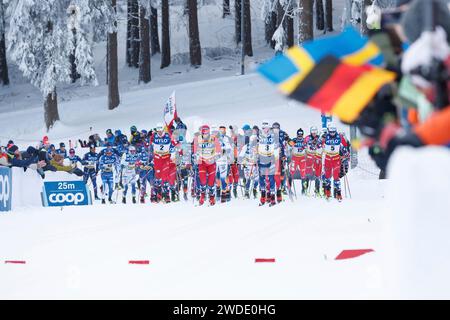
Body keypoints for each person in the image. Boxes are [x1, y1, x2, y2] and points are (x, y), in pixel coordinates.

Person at [194, 125, 221, 206]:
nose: (205, 135)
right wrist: (196, 157)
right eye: (203, 133)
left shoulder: (214, 138)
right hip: (202, 162)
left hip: (211, 162)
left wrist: (215, 156)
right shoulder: (197, 139)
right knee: (202, 180)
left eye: (206, 133)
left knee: (211, 181)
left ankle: (211, 196)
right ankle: (202, 195)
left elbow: (219, 151)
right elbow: (195, 151)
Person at [256, 121, 279, 206]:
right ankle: (263, 198)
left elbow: (276, 147)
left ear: (269, 128)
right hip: (262, 159)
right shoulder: (259, 136)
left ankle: (273, 199)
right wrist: (256, 158)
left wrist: (275, 158)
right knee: (261, 179)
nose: (264, 130)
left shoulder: (273, 136)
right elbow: (255, 147)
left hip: (270, 159)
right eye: (263, 128)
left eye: (265, 128)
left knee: (271, 179)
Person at [150, 123, 175, 203]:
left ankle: (167, 195)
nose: (160, 133)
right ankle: (158, 194)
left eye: (161, 131)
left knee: (165, 177)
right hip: (157, 159)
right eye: (158, 131)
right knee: (157, 177)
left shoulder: (168, 136)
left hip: (166, 159)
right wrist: (150, 158)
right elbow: (150, 147)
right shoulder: (153, 136)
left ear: (163, 130)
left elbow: (173, 145)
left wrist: (173, 153)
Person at [322, 124, 346, 201]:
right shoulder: (325, 136)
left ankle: (338, 193)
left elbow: (342, 146)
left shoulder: (339, 137)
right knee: (327, 176)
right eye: (331, 132)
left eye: (333, 132)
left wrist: (345, 154)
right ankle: (327, 192)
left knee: (336, 176)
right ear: (329, 131)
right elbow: (318, 144)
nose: (332, 133)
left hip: (336, 159)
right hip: (328, 158)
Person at [288, 128, 308, 195]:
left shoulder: (305, 140)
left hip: (302, 158)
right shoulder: (294, 140)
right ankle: (289, 188)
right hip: (295, 157)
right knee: (291, 172)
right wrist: (289, 141)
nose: (300, 136)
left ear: (302, 134)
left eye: (301, 134)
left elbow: (308, 146)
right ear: (297, 134)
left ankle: (304, 189)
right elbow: (289, 144)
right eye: (298, 134)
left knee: (303, 173)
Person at [304, 126, 323, 197]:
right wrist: (311, 143)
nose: (314, 133)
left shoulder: (319, 138)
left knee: (317, 174)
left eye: (315, 132)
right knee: (308, 172)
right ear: (311, 132)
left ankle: (317, 190)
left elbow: (321, 145)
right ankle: (305, 188)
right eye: (313, 132)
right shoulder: (307, 138)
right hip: (309, 157)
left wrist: (318, 144)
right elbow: (305, 144)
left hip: (317, 157)